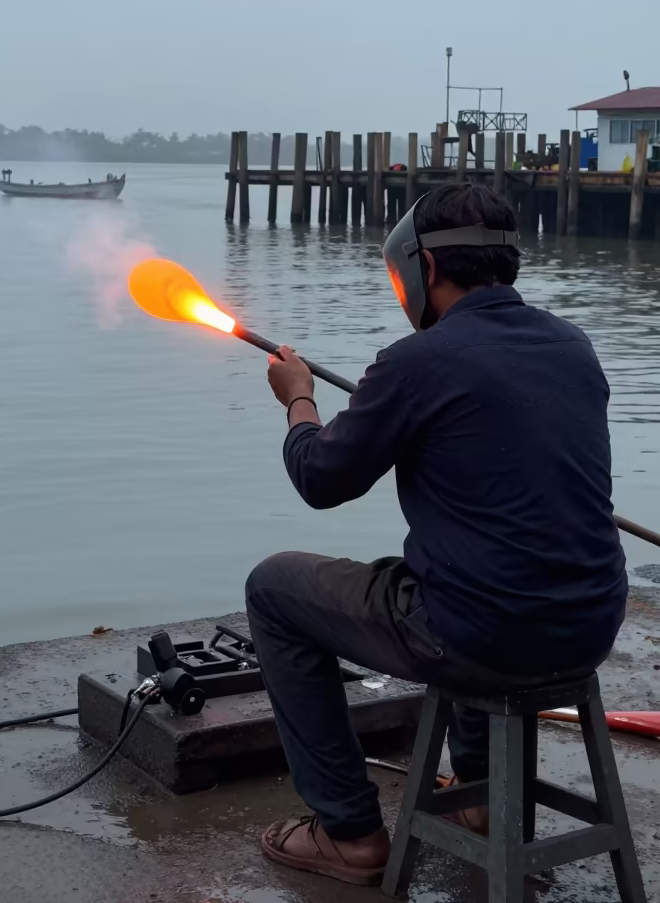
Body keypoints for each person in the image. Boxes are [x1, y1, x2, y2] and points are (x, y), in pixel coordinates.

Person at [246, 182, 627, 886]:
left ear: (423, 270)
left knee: (273, 588)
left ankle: (347, 831)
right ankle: (477, 797)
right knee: (473, 570)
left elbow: (321, 479)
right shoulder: (573, 345)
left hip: (482, 635)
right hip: (588, 626)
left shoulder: (416, 362)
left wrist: (298, 396)